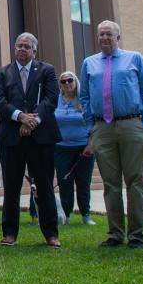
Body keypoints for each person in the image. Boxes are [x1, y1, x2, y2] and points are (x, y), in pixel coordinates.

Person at [79, 20, 143, 249]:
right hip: (102, 128)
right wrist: (91, 127)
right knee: (111, 183)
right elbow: (84, 97)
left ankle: (136, 236)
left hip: (132, 124)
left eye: (109, 34)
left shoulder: (135, 59)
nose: (104, 38)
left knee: (134, 181)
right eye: (101, 34)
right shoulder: (89, 63)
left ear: (118, 37)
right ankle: (115, 234)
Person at [0, 32, 61, 247]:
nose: (22, 49)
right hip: (12, 138)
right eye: (19, 46)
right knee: (11, 187)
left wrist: (34, 120)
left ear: (34, 50)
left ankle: (51, 234)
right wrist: (20, 117)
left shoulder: (46, 70)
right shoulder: (3, 73)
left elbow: (51, 99)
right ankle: (9, 233)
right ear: (14, 49)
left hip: (41, 138)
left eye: (26, 46)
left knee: (44, 185)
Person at [53, 70, 95, 226]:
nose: (67, 83)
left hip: (83, 148)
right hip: (61, 148)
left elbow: (93, 122)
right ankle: (66, 216)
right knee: (65, 183)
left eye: (70, 80)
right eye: (63, 81)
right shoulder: (56, 100)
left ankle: (86, 215)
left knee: (83, 182)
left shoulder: (84, 100)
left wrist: (91, 144)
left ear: (76, 81)